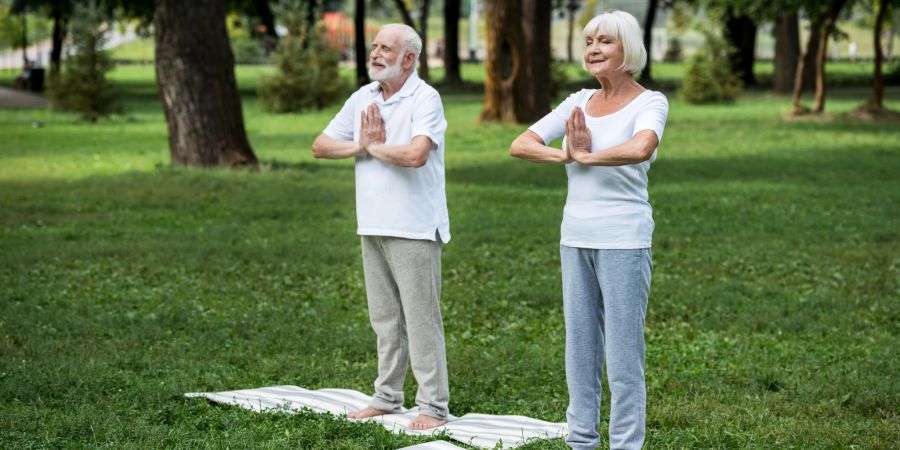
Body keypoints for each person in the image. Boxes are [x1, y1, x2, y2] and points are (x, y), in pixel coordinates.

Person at [509, 10, 668, 450]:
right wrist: (566, 156)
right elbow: (520, 144)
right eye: (589, 41)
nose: (594, 49)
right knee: (579, 350)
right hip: (575, 237)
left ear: (628, 49)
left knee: (622, 356)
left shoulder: (650, 101)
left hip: (624, 239)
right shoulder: (577, 101)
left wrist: (586, 156)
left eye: (605, 42)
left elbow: (641, 147)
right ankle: (581, 441)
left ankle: (625, 445)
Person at [311, 23, 451, 431]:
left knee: (421, 319)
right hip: (371, 224)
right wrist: (361, 145)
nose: (375, 53)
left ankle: (433, 406)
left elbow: (415, 154)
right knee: (385, 318)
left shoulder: (426, 98)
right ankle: (388, 397)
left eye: (385, 48)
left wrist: (373, 147)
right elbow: (321, 146)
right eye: (374, 46)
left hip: (414, 227)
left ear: (408, 58)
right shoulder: (364, 97)